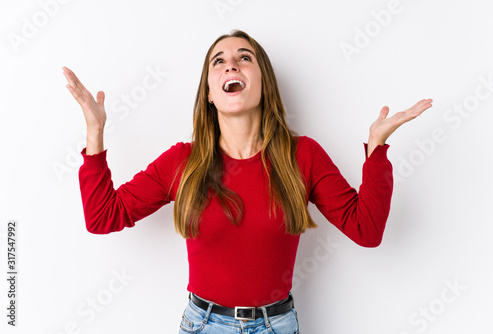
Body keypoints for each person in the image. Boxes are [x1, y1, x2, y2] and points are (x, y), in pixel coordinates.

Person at [62, 29, 432, 334]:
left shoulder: (302, 156)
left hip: (277, 325)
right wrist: (95, 134)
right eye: (218, 61)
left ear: (263, 84)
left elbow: (366, 230)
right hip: (202, 325)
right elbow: (102, 217)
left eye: (244, 58)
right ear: (209, 93)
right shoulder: (183, 162)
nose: (231, 65)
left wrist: (377, 149)